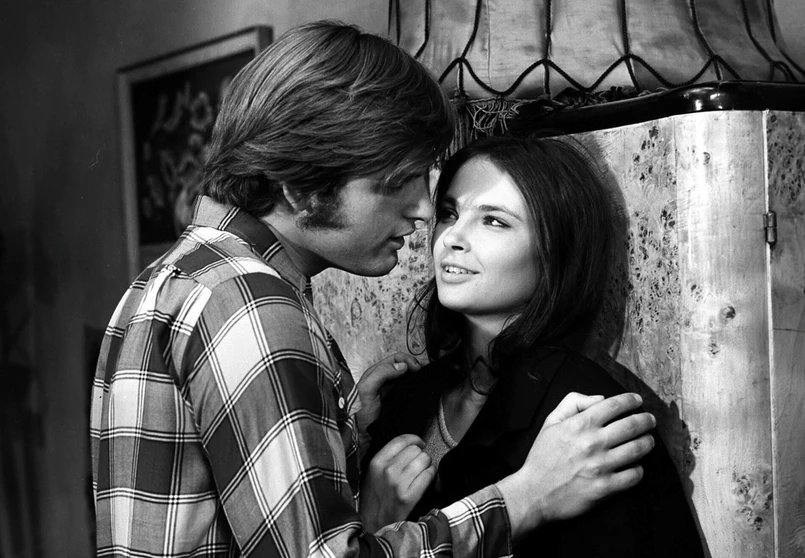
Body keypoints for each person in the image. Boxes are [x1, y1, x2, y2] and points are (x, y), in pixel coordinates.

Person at [90, 21, 658, 557]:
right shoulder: (251, 307)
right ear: (301, 188)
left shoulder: (175, 280)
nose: (424, 214)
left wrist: (341, 431)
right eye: (396, 182)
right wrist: (524, 498)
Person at [365, 134, 704, 557]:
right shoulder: (403, 397)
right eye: (449, 213)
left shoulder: (585, 416)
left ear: (554, 251)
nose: (452, 237)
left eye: (494, 221)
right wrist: (373, 522)